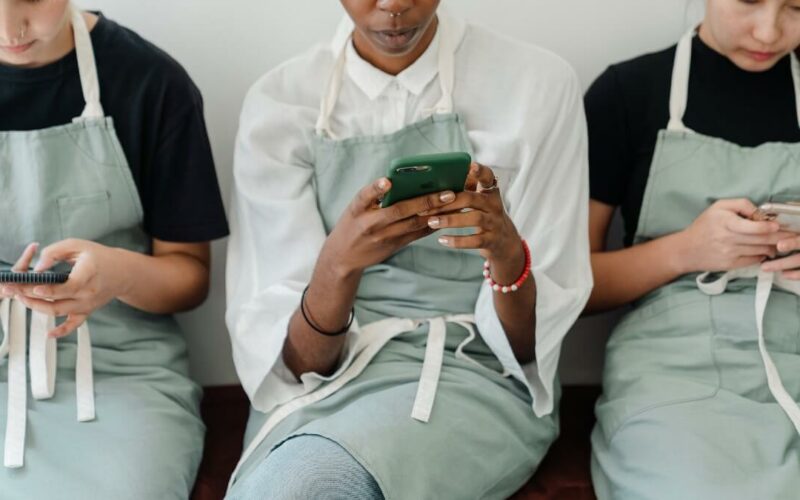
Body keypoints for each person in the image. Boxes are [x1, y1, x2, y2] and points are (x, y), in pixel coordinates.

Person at [225, 1, 592, 498]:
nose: (394, 4)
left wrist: (507, 252)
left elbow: (528, 354)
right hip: (319, 387)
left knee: (312, 484)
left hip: (475, 372)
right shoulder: (280, 104)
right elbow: (294, 369)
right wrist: (337, 266)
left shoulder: (538, 85)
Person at [0, 1, 228, 498]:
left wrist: (117, 274)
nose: (8, 29)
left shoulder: (152, 83)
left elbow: (190, 275)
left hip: (118, 370)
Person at [585, 0, 800, 497]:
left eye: (795, 7)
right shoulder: (628, 93)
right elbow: (572, 288)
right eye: (749, 1)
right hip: (679, 367)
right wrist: (687, 249)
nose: (769, 31)